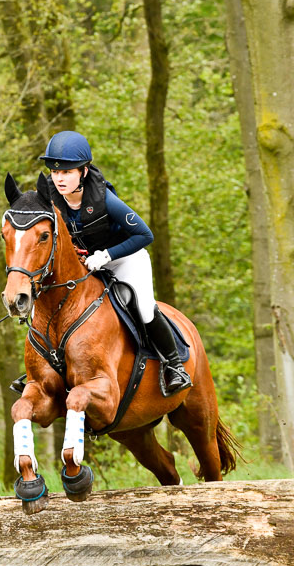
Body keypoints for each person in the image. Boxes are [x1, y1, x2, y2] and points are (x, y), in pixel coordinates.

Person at [39, 130, 191, 396]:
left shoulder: (105, 199)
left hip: (124, 258)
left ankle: (174, 365)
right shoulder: (50, 197)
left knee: (143, 308)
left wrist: (107, 256)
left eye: (67, 172)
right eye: (55, 172)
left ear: (84, 172)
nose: (60, 178)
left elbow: (145, 235)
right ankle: (40, 369)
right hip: (86, 264)